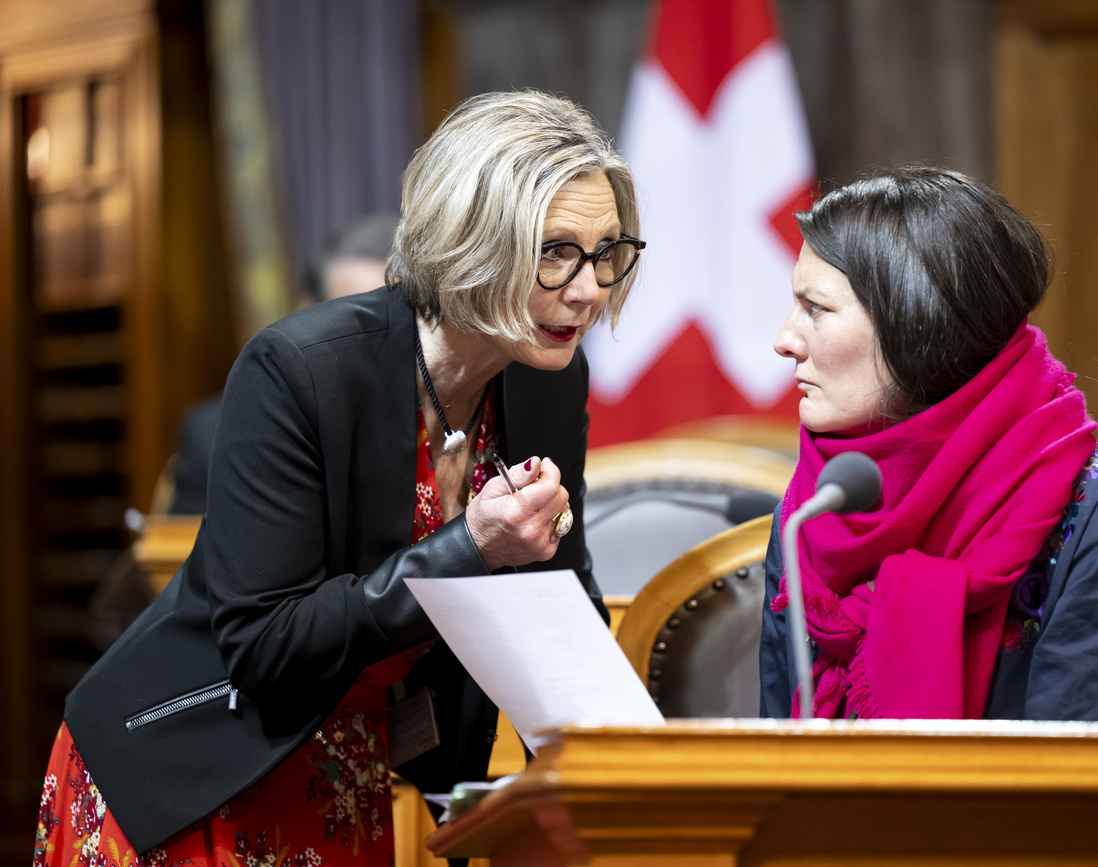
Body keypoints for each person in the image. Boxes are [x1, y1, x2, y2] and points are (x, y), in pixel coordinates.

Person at [35, 90, 645, 867]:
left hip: (347, 768)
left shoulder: (550, 378)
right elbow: (264, 645)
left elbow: (557, 584)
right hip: (191, 770)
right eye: (555, 251)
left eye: (606, 251)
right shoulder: (302, 367)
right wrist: (469, 546)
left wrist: (617, 768)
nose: (590, 288)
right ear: (471, 240)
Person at [758, 167, 1098, 724]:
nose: (783, 340)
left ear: (917, 326)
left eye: (815, 309)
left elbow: (1084, 797)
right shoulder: (810, 514)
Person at [169, 213, 402, 515]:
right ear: (308, 313)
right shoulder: (217, 432)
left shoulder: (445, 424)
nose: (378, 339)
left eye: (394, 319)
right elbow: (177, 551)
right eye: (359, 320)